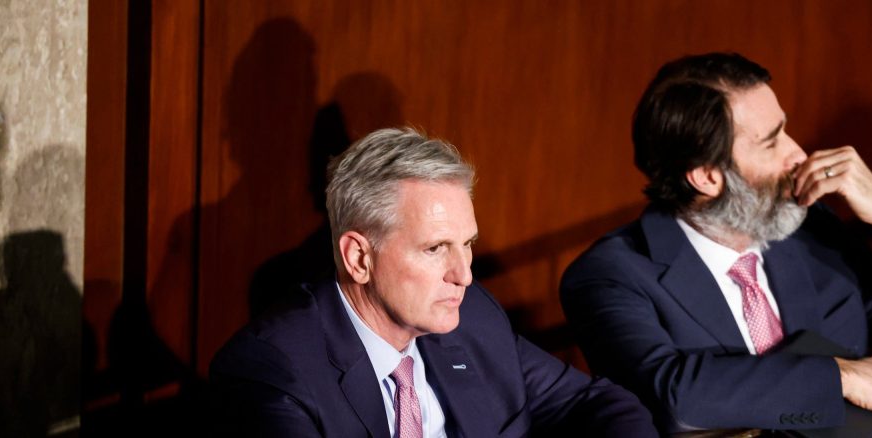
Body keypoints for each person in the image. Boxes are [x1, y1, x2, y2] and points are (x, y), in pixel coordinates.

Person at [559, 52, 872, 434]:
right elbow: (672, 396)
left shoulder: (812, 232)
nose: (798, 154)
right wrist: (840, 376)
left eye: (785, 130)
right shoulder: (610, 275)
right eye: (771, 143)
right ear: (707, 177)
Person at [211, 127, 656, 437]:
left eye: (467, 244)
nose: (463, 275)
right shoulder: (273, 370)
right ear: (359, 258)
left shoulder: (472, 316)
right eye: (435, 248)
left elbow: (597, 402)